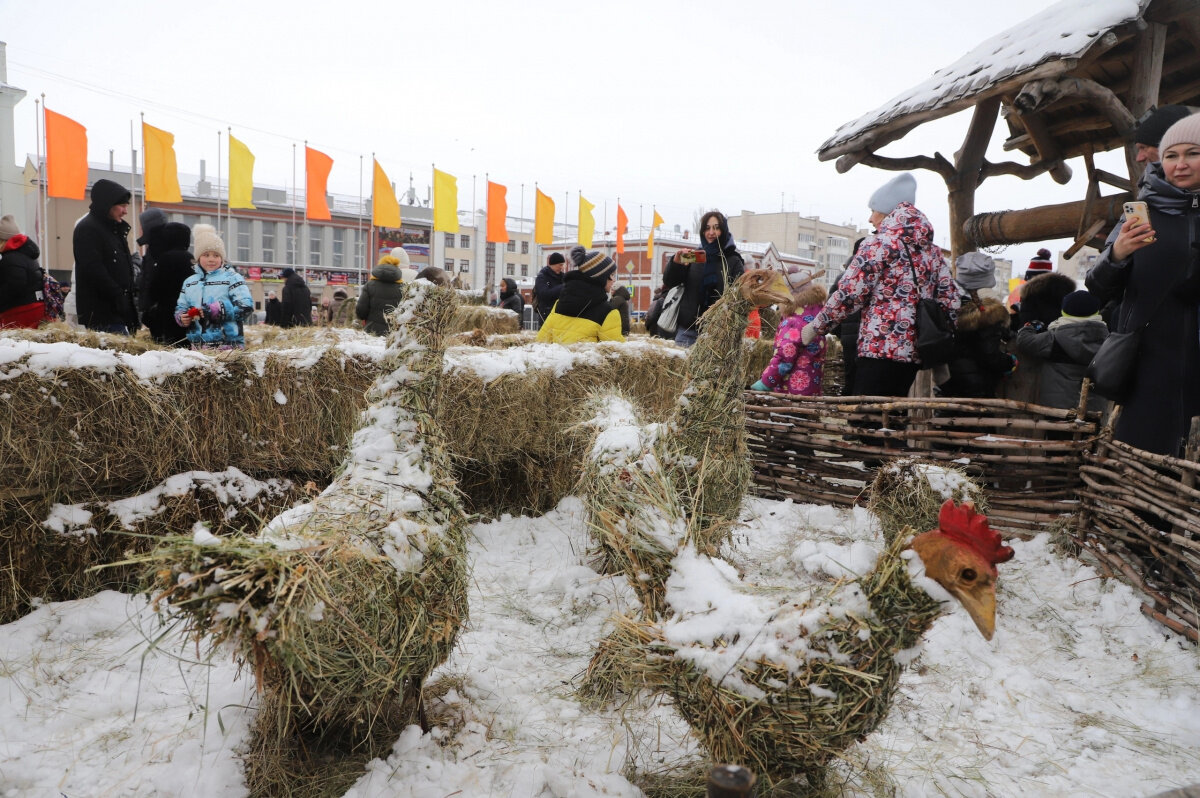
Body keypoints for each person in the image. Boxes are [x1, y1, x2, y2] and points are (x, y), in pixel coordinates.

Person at [1085, 112, 1200, 456]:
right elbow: (1097, 286)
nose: (1180, 164)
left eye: (1193, 153)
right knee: (1142, 457)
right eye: (1171, 155)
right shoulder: (1140, 212)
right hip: (1146, 364)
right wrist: (1116, 255)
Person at [805, 173, 960, 397]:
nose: (870, 219)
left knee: (867, 420)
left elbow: (850, 293)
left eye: (873, 210)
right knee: (893, 416)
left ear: (888, 212)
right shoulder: (933, 252)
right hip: (915, 352)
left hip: (879, 346)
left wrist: (817, 326)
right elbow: (950, 300)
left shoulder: (879, 244)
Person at [1013, 290, 1108, 413]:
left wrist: (1028, 327)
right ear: (1096, 312)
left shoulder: (1054, 338)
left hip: (1058, 409)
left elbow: (1024, 342)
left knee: (1057, 433)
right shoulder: (1107, 339)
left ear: (1064, 312)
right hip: (1094, 408)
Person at [939, 252, 1014, 398]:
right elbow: (989, 354)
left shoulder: (946, 302)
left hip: (947, 380)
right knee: (979, 420)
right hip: (977, 384)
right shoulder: (988, 313)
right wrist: (1010, 361)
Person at [663, 210, 744, 347]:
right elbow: (670, 282)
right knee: (682, 368)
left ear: (723, 230)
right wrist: (675, 262)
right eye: (707, 228)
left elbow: (739, 297)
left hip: (718, 335)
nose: (711, 232)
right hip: (688, 331)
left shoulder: (733, 260)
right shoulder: (695, 256)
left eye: (716, 228)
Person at [73, 178, 139, 334]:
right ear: (108, 204)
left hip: (119, 311)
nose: (125, 211)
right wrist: (117, 295)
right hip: (102, 314)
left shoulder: (115, 229)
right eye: (122, 206)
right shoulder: (88, 229)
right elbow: (93, 269)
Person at [174, 224, 254, 349]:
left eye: (216, 255)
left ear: (222, 258)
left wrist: (216, 310)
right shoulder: (189, 282)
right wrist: (181, 317)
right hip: (197, 348)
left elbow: (246, 307)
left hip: (227, 347)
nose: (211, 259)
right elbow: (181, 306)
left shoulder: (232, 278)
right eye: (206, 255)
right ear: (198, 257)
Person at [750, 271, 828, 396]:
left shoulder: (794, 322)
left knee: (790, 416)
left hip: (791, 391)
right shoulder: (815, 318)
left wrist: (766, 382)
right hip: (810, 390)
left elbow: (784, 357)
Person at [536, 250, 624, 344]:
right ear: (600, 276)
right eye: (612, 275)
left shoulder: (558, 304)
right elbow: (616, 351)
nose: (614, 280)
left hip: (557, 358)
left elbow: (541, 341)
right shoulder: (608, 313)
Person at [142, 221, 194, 347]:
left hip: (168, 310)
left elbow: (155, 286)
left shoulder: (165, 258)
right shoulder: (190, 258)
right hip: (188, 310)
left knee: (170, 345)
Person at [830, 237, 867, 394]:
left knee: (851, 375)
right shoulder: (857, 274)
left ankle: (851, 414)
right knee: (864, 378)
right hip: (868, 338)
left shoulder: (843, 276)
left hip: (849, 337)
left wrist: (842, 333)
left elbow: (832, 307)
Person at [0, 214, 46, 329]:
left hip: (21, 311)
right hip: (33, 307)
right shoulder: (25, 254)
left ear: (3, 240)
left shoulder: (11, 258)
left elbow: (14, 285)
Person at [356, 249, 412, 336]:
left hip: (372, 333)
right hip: (394, 335)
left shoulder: (369, 285)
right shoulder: (403, 288)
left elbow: (361, 312)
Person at [135, 207, 168, 322]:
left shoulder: (158, 250)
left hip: (157, 312)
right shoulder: (155, 248)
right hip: (153, 310)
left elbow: (151, 279)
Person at [533, 252, 566, 325]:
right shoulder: (542, 277)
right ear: (553, 264)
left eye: (562, 265)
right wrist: (562, 287)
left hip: (561, 314)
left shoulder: (563, 277)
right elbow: (544, 294)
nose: (562, 267)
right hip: (547, 314)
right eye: (560, 265)